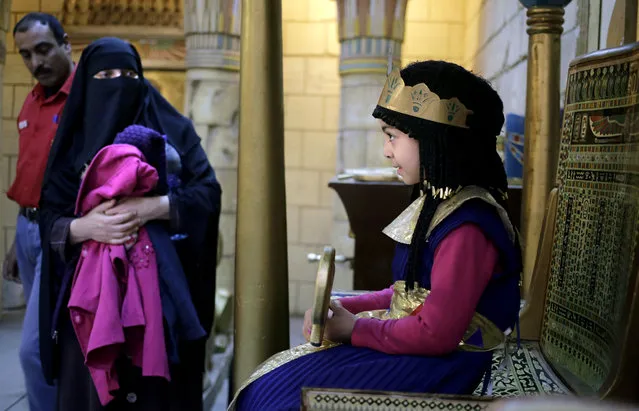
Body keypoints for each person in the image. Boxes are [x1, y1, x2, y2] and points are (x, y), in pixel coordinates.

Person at [230, 60, 522, 411]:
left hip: (450, 364)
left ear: (435, 138)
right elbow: (408, 295)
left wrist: (354, 329)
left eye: (392, 136)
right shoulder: (442, 206)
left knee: (282, 400)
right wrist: (342, 307)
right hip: (426, 351)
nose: (386, 150)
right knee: (272, 382)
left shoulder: (468, 227)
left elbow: (437, 333)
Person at [38, 37, 221, 411]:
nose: (118, 83)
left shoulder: (174, 131)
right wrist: (86, 227)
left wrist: (152, 207)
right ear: (88, 82)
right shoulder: (71, 143)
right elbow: (49, 218)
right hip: (88, 303)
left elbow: (208, 193)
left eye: (128, 74)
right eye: (105, 75)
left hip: (162, 298)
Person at [2, 12, 74, 411]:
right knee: (47, 344)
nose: (36, 63)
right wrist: (18, 241)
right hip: (28, 229)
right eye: (26, 54)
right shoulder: (33, 98)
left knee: (34, 350)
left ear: (66, 43)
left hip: (61, 232)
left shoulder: (84, 97)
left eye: (44, 50)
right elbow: (29, 170)